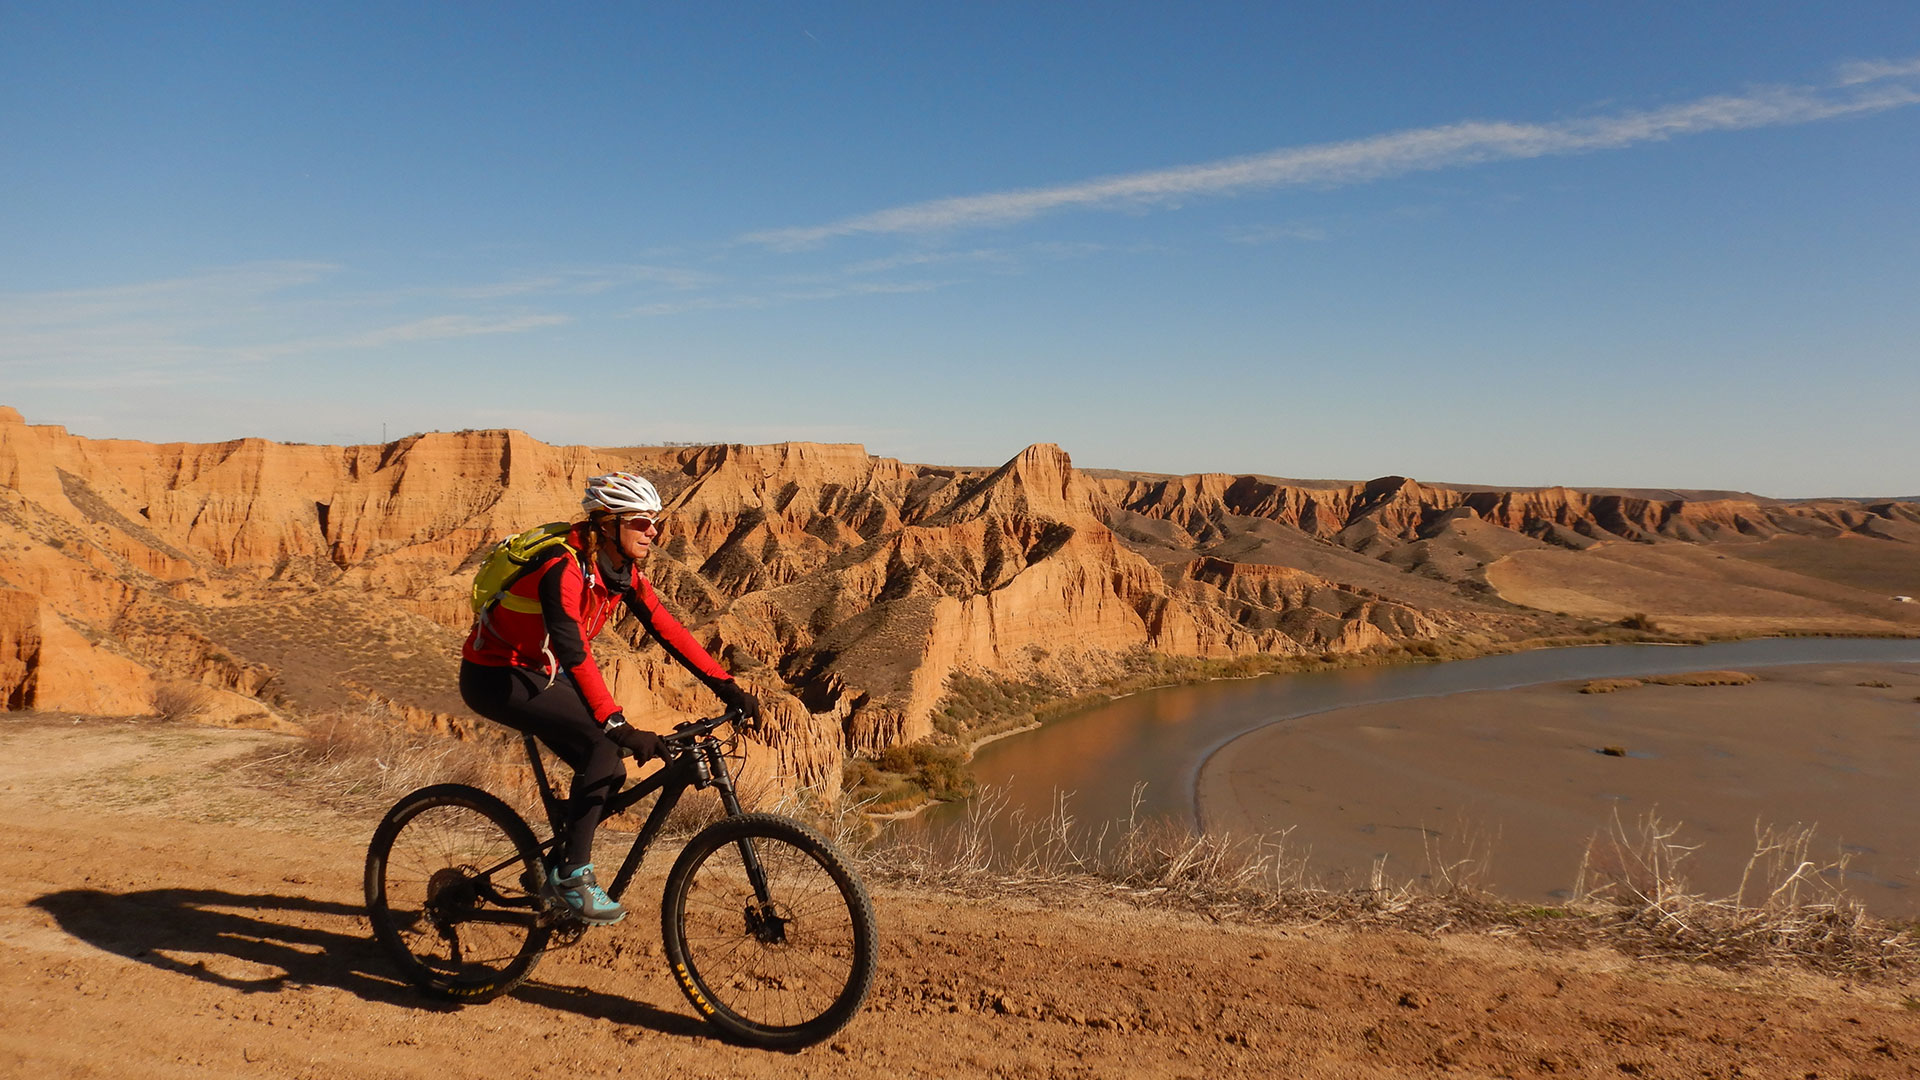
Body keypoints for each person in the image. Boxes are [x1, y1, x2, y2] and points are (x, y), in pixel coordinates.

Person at [459, 470, 760, 925]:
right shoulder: (562, 569)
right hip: (496, 676)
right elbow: (573, 650)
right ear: (607, 524)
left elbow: (667, 628)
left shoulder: (620, 570)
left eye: (653, 521)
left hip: (540, 671)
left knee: (608, 766)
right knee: (604, 745)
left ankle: (554, 862)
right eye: (640, 522)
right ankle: (572, 877)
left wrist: (726, 684)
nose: (653, 531)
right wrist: (616, 723)